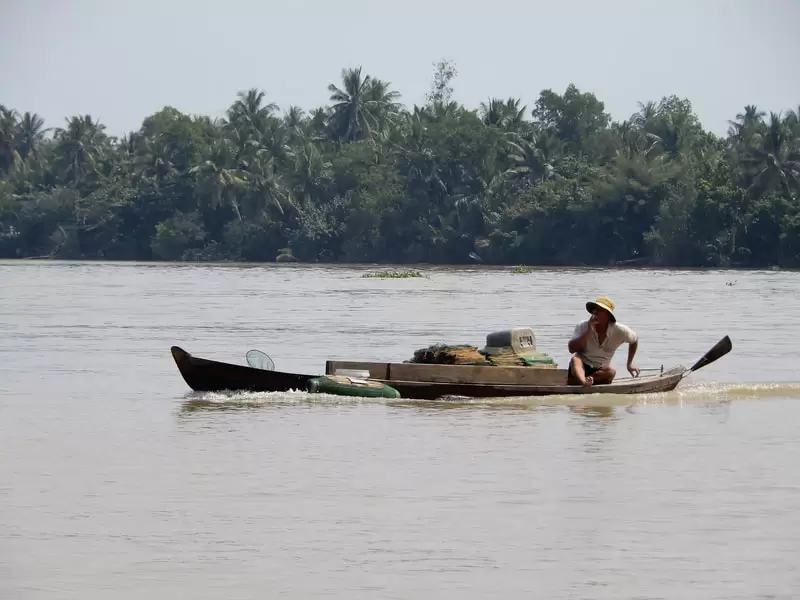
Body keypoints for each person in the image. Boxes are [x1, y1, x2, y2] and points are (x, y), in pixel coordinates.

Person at [567, 296, 640, 386]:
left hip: (601, 370)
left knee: (611, 371)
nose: (596, 313)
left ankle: (590, 380)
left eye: (600, 310)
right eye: (595, 310)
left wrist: (629, 364)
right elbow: (571, 349)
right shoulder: (583, 326)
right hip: (582, 366)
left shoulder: (620, 330)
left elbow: (634, 340)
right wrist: (588, 331)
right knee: (575, 360)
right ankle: (584, 383)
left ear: (608, 314)